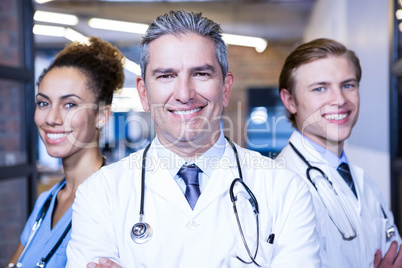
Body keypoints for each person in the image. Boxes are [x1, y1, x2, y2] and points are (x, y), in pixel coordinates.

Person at [66, 10, 320, 268]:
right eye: (166, 76)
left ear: (225, 88)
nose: (185, 93)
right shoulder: (99, 194)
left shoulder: (286, 190)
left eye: (201, 74)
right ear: (143, 93)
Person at [276, 38, 402, 267]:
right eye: (320, 88)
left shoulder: (364, 182)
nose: (340, 100)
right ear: (290, 101)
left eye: (348, 85)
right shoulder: (280, 185)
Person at [7, 37, 125, 268]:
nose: (52, 118)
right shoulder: (47, 201)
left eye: (70, 104)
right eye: (43, 103)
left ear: (101, 115)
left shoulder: (117, 203)